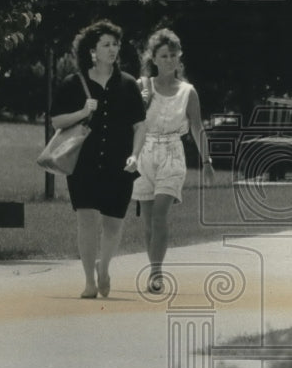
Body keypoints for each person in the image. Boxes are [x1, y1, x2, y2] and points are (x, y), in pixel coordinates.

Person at [51, 21, 146, 299]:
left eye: (115, 44)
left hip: (120, 163)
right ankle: (89, 282)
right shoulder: (73, 83)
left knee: (113, 223)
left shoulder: (128, 84)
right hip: (84, 163)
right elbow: (56, 120)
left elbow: (140, 125)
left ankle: (103, 268)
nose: (112, 49)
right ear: (92, 51)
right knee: (87, 221)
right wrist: (82, 112)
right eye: (106, 44)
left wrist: (135, 154)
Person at [132, 28, 215, 292]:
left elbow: (197, 127)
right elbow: (131, 123)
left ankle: (156, 274)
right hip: (145, 153)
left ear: (179, 57)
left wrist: (207, 161)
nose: (169, 60)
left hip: (172, 154)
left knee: (159, 216)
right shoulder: (142, 86)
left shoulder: (188, 92)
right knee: (148, 221)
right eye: (164, 56)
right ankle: (154, 267)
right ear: (154, 59)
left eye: (173, 55)